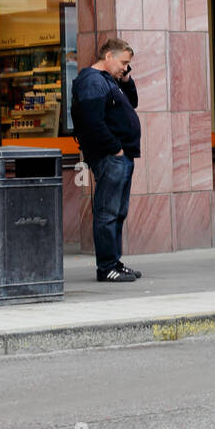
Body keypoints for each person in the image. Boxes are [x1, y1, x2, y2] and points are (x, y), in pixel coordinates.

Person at [73, 37, 142, 282]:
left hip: (121, 156)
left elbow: (132, 102)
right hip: (111, 157)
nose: (125, 67)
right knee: (107, 212)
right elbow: (92, 123)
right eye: (123, 63)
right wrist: (115, 149)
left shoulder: (108, 80)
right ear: (108, 56)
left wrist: (125, 78)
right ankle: (106, 268)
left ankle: (115, 262)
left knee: (118, 212)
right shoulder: (92, 82)